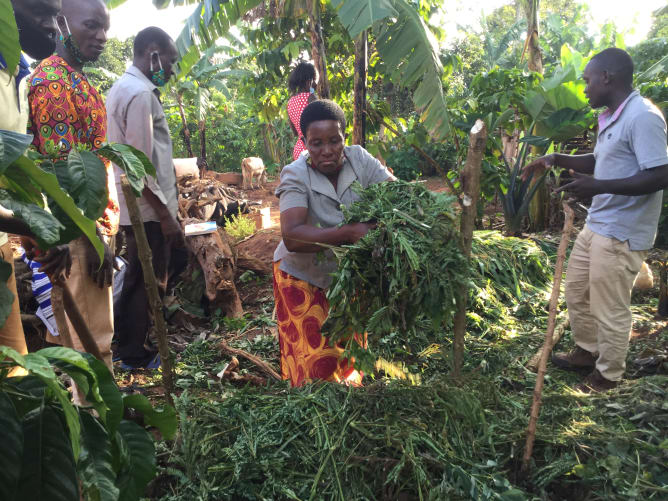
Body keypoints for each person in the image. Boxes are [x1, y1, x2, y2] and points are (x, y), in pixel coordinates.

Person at [522, 48, 668, 393]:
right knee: (577, 294)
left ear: (607, 77)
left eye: (588, 80)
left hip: (622, 232)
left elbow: (661, 174)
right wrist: (557, 158)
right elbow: (601, 160)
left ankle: (608, 374)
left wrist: (598, 186)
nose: (584, 87)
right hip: (599, 224)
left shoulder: (643, 116)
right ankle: (586, 352)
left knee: (610, 306)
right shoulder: (612, 116)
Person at [273, 99, 396, 387]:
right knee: (315, 362)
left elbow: (395, 195)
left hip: (346, 276)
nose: (326, 151)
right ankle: (313, 415)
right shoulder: (295, 174)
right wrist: (349, 232)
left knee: (349, 351)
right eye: (316, 143)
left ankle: (350, 405)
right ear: (304, 142)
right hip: (301, 276)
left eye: (334, 140)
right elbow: (292, 236)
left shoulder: (360, 160)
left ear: (345, 137)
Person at [26, 0, 118, 372]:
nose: (102, 37)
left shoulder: (76, 79)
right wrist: (93, 237)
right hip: (77, 234)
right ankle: (96, 422)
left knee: (97, 338)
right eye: (92, 25)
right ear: (62, 22)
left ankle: (100, 418)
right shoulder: (51, 82)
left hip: (92, 229)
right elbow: (61, 172)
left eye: (105, 28)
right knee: (90, 344)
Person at [107, 27, 184, 370]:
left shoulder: (126, 88)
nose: (171, 69)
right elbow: (139, 166)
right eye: (170, 61)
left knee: (144, 274)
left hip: (141, 207)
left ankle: (135, 343)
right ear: (153, 54)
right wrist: (166, 215)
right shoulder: (139, 94)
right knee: (145, 278)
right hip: (148, 210)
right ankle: (134, 354)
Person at [0, 0, 64, 376]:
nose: (54, 25)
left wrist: (28, 232)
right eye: (42, 11)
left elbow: (13, 168)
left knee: (17, 376)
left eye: (57, 15)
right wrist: (37, 227)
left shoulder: (21, 72)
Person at [287, 62, 318, 161]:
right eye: (316, 80)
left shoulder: (290, 102)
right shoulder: (311, 98)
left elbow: (295, 132)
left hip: (299, 150)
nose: (317, 84)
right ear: (310, 81)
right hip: (312, 149)